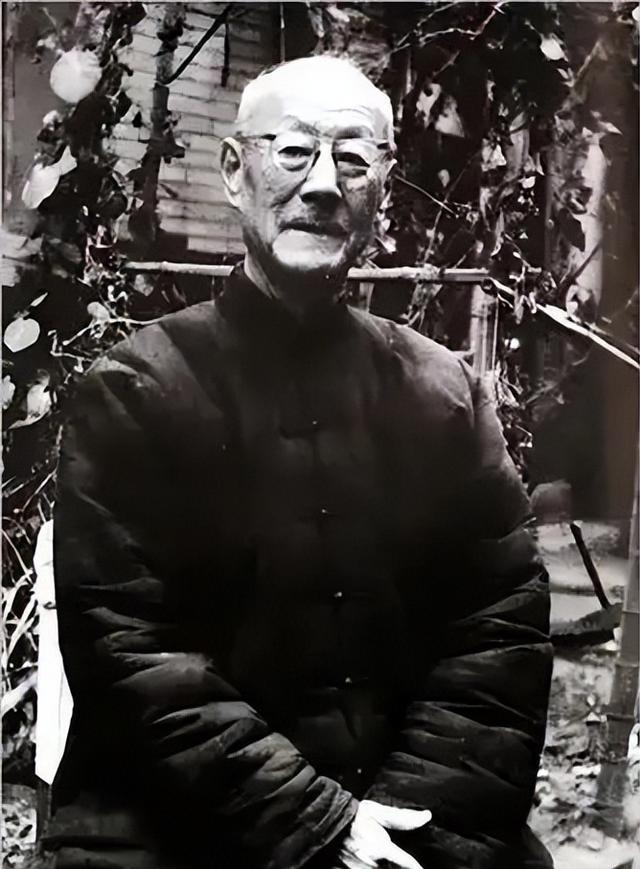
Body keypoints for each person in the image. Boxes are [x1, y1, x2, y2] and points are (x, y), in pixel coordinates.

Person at [47, 55, 553, 869]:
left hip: (414, 828)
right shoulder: (136, 392)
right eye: (293, 152)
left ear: (382, 188)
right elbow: (131, 653)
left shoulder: (443, 391)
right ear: (234, 170)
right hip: (185, 825)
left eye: (352, 158)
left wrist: (403, 828)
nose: (322, 184)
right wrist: (323, 824)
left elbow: (499, 629)